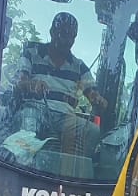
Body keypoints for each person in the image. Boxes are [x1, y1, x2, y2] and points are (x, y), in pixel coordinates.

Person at [15, 12, 106, 162]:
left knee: (93, 131)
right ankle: (22, 165)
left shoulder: (79, 67)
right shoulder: (31, 52)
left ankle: (71, 171)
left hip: (66, 119)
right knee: (29, 124)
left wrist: (98, 100)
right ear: (52, 32)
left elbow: (92, 94)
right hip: (35, 109)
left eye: (72, 36)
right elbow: (20, 83)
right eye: (63, 34)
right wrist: (32, 84)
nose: (68, 40)